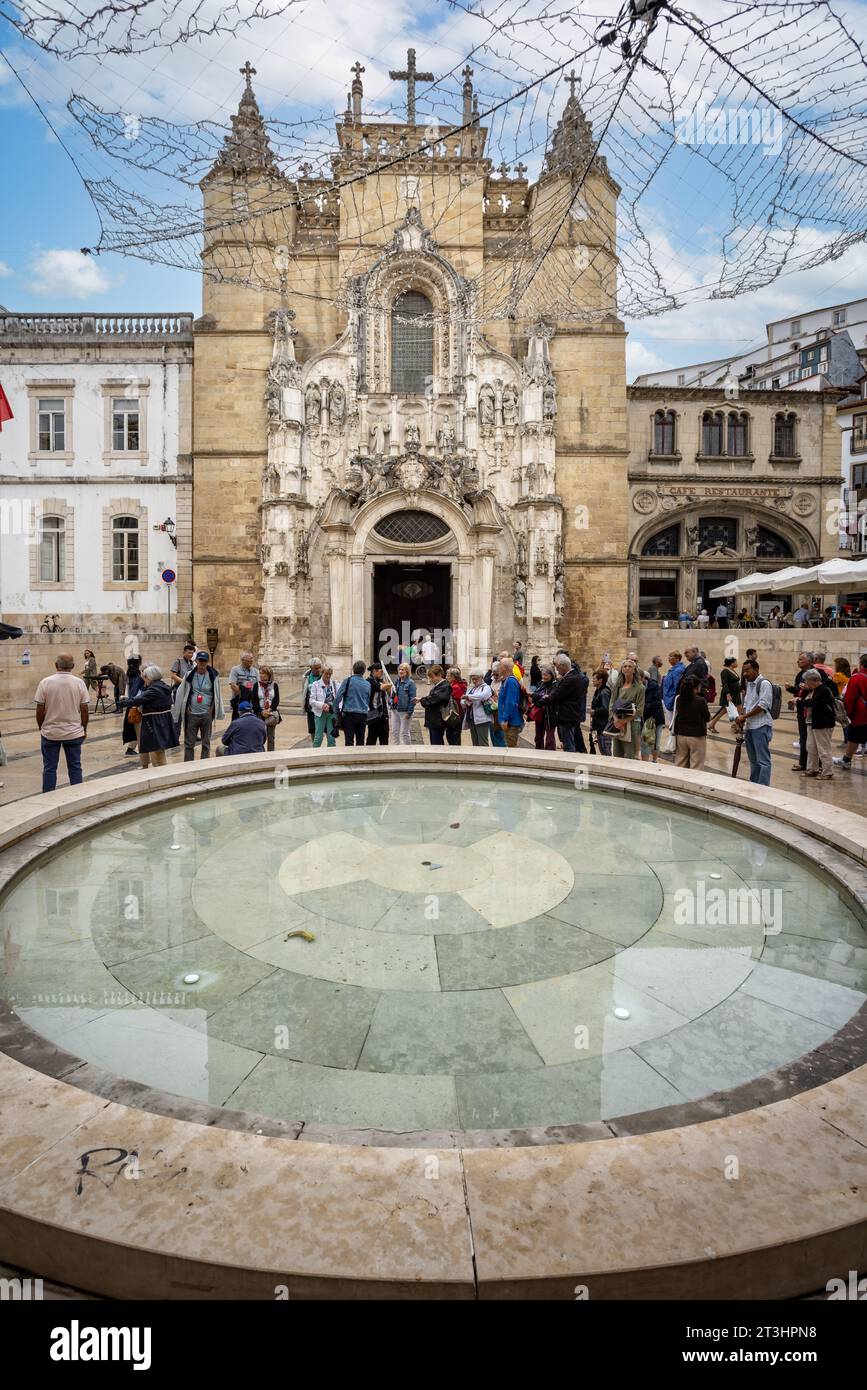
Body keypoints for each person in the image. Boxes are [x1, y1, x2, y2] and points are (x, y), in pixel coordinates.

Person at [35, 654, 89, 793]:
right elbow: (84, 709)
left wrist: (42, 726)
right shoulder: (79, 683)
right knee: (75, 767)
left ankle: (48, 797)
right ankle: (77, 796)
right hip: (73, 732)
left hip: (50, 733)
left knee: (49, 768)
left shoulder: (45, 682)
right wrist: (84, 728)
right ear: (72, 666)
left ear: (56, 665)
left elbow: (40, 710)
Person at [120, 664, 179, 769]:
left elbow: (138, 700)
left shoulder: (154, 689)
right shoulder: (162, 686)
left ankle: (161, 775)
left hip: (155, 722)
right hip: (161, 721)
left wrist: (123, 702)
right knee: (158, 750)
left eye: (145, 677)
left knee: (157, 752)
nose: (144, 679)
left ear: (150, 677)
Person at [172, 649, 224, 760]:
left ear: (207, 662)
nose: (202, 663)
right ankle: (189, 766)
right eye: (200, 661)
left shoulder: (213, 676)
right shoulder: (189, 675)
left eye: (204, 661)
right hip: (192, 714)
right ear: (196, 661)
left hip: (206, 714)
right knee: (189, 743)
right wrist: (185, 709)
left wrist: (212, 709)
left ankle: (203, 765)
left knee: (206, 743)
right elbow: (182, 692)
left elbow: (217, 694)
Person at [736, 659, 774, 785]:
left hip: (761, 726)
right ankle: (754, 784)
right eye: (743, 671)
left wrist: (745, 716)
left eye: (748, 671)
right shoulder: (749, 684)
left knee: (763, 760)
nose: (745, 674)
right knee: (753, 760)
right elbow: (747, 704)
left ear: (756, 670)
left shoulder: (764, 684)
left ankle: (763, 787)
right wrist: (742, 717)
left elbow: (763, 705)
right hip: (750, 727)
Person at [538, 655, 586, 752]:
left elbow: (556, 696)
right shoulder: (576, 676)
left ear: (563, 666)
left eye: (557, 666)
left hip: (567, 715)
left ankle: (569, 764)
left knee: (568, 744)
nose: (556, 669)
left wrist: (544, 698)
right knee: (570, 742)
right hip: (572, 714)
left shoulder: (570, 679)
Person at [801, 668, 836, 780]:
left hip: (823, 723)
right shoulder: (814, 690)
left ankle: (827, 772)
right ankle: (812, 769)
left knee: (823, 748)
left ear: (815, 680)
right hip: (812, 722)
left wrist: (799, 702)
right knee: (811, 747)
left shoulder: (823, 690)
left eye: (807, 681)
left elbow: (815, 703)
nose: (806, 683)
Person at [834, 651, 867, 770]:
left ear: (861, 664)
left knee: (854, 738)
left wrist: (846, 713)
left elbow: (850, 698)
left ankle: (846, 760)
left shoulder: (857, 678)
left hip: (860, 715)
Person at [671, 674, 710, 769]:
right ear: (697, 687)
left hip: (681, 735)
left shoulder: (679, 699)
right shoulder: (700, 700)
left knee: (680, 763)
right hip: (697, 736)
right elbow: (707, 718)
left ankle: (679, 783)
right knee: (696, 765)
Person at [609, 657, 645, 759]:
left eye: (630, 666)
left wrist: (624, 721)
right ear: (622, 669)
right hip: (617, 722)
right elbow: (612, 703)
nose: (627, 668)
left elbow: (640, 710)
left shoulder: (640, 688)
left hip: (632, 723)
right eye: (625, 666)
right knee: (617, 753)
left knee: (630, 754)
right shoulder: (618, 686)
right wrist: (616, 720)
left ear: (634, 670)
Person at [334, 661, 372, 747]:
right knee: (360, 742)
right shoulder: (368, 684)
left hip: (349, 714)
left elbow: (337, 699)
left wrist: (337, 713)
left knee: (349, 741)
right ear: (364, 671)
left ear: (353, 669)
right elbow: (367, 700)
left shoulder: (347, 681)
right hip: (362, 715)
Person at [493, 658, 525, 747]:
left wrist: (505, 719)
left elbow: (510, 702)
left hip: (511, 722)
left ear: (504, 668)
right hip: (509, 721)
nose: (498, 668)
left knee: (511, 749)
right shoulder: (507, 680)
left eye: (500, 666)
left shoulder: (510, 681)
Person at [420, 664, 453, 746]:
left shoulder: (445, 686)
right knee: (434, 742)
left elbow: (433, 700)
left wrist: (423, 700)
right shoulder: (438, 686)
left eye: (432, 677)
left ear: (439, 675)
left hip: (438, 720)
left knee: (437, 744)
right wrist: (423, 699)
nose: (431, 680)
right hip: (434, 720)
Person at [386, 663, 416, 745]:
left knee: (404, 733)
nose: (400, 671)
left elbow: (412, 699)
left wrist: (409, 712)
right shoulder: (397, 681)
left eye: (403, 669)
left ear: (407, 671)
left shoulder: (411, 683)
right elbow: (393, 695)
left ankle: (408, 750)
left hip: (404, 711)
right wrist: (390, 701)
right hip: (395, 709)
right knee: (395, 732)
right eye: (399, 669)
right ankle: (397, 749)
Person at [708, 656, 741, 732]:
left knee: (737, 710)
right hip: (729, 694)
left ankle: (737, 726)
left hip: (736, 694)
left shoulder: (733, 670)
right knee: (725, 710)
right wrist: (728, 694)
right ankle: (712, 724)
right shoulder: (725, 671)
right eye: (735, 662)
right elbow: (725, 683)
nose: (736, 663)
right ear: (732, 663)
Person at [461, 671, 494, 746]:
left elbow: (483, 696)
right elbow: (462, 701)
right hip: (471, 718)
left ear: (481, 678)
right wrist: (466, 701)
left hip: (482, 719)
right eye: (473, 679)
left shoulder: (486, 687)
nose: (474, 681)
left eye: (476, 679)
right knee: (475, 743)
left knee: (483, 743)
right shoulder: (472, 689)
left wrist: (469, 697)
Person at [528, 664, 557, 751]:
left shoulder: (555, 685)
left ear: (552, 675)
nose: (544, 677)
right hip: (539, 714)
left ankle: (550, 755)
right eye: (543, 675)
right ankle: (538, 752)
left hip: (550, 715)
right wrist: (534, 698)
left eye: (546, 675)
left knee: (549, 739)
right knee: (538, 737)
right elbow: (539, 695)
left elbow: (548, 698)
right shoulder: (541, 683)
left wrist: (535, 696)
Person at [309, 666, 338, 747]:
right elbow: (311, 701)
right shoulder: (316, 684)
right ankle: (315, 756)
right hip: (320, 713)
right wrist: (322, 705)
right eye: (326, 674)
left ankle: (331, 756)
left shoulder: (334, 683)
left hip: (331, 713)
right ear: (322, 673)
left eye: (330, 674)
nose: (328, 676)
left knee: (331, 737)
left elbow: (337, 697)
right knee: (318, 737)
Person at [641, 671, 666, 762]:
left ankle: (654, 760)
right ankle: (645, 761)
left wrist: (644, 706)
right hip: (644, 717)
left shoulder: (654, 686)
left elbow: (657, 702)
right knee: (645, 741)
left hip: (656, 718)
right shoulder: (639, 687)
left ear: (644, 678)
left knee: (656, 741)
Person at [122, 656, 144, 755]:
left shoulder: (130, 672)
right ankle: (133, 749)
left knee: (134, 727)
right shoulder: (137, 674)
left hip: (132, 704)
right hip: (136, 704)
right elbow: (136, 690)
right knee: (138, 728)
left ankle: (131, 748)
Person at [257, 664, 281, 752]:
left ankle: (271, 755)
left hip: (270, 714)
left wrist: (269, 710)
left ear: (269, 675)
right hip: (259, 714)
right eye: (260, 673)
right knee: (259, 737)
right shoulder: (257, 686)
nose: (261, 675)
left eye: (264, 673)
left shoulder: (274, 686)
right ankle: (260, 754)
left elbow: (276, 700)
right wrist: (262, 711)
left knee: (271, 738)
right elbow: (254, 701)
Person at [229, 651, 259, 718]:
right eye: (249, 659)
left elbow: (258, 686)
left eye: (252, 658)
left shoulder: (256, 671)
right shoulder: (235, 669)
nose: (251, 660)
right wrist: (244, 694)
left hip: (251, 702)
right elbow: (233, 685)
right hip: (238, 701)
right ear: (243, 660)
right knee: (237, 721)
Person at [366, 662, 390, 746]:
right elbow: (379, 688)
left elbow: (389, 693)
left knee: (384, 738)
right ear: (374, 671)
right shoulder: (369, 681)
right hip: (373, 713)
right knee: (371, 739)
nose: (382, 673)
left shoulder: (380, 681)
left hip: (383, 713)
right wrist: (389, 683)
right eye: (380, 671)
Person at [590, 669, 612, 755]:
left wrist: (594, 712)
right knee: (602, 749)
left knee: (605, 750)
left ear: (600, 680)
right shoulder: (599, 690)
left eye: (594, 678)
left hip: (604, 726)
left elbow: (606, 709)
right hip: (600, 725)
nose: (593, 680)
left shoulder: (604, 692)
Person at [300, 658, 323, 739]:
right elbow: (304, 691)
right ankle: (314, 745)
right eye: (316, 668)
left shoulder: (323, 676)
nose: (319, 670)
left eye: (320, 667)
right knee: (312, 728)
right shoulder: (306, 677)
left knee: (321, 728)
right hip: (310, 707)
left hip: (320, 706)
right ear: (311, 668)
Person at [662, 650, 685, 727]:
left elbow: (677, 687)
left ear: (677, 658)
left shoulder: (678, 670)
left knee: (673, 724)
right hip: (669, 699)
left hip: (672, 700)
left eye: (671, 657)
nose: (669, 658)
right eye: (669, 656)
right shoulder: (674, 669)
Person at [445, 666, 467, 746]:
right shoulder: (454, 685)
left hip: (456, 715)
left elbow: (447, 698)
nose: (446, 676)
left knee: (453, 736)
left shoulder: (455, 687)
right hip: (456, 714)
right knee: (453, 735)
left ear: (453, 677)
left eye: (447, 675)